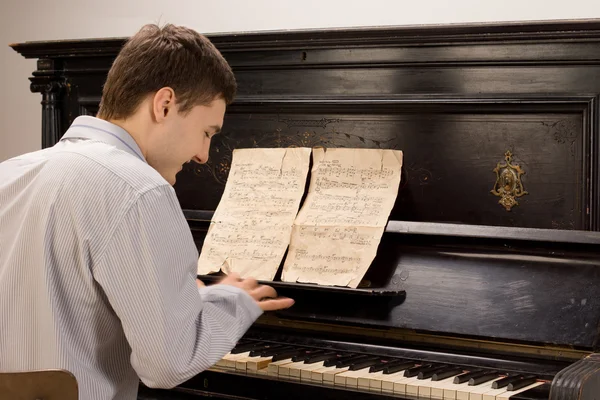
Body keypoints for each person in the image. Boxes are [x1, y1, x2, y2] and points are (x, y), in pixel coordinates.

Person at [0, 23, 294, 400]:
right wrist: (234, 302)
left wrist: (179, 302)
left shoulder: (10, 172)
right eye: (207, 132)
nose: (204, 155)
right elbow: (168, 364)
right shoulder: (139, 188)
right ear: (165, 104)